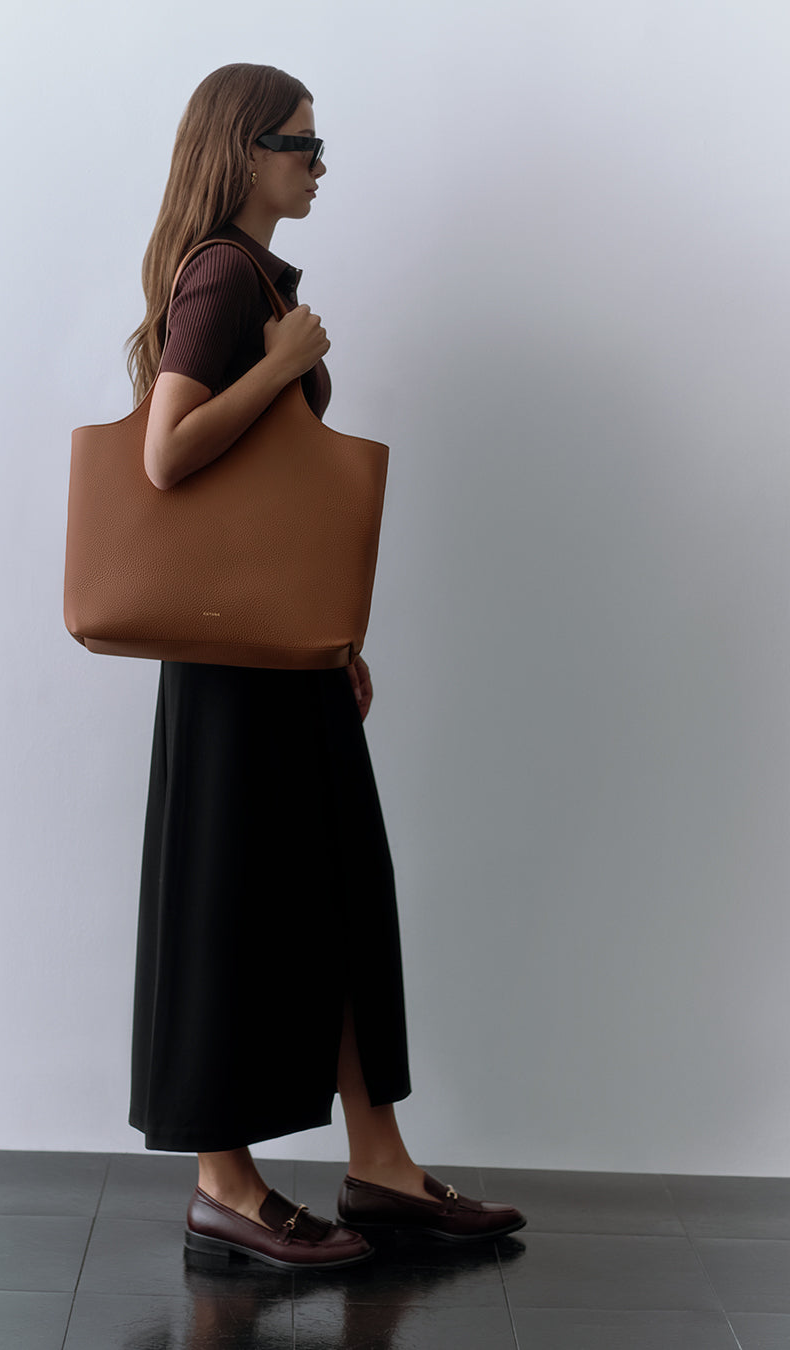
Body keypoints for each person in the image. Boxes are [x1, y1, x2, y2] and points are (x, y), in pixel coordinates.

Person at [125, 63, 525, 1270]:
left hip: (277, 648)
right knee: (230, 901)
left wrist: (334, 638)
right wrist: (278, 360)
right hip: (229, 662)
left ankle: (380, 1164)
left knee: (344, 890)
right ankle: (224, 1183)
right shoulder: (221, 275)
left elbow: (277, 491)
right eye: (300, 142)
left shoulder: (251, 276)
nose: (319, 161)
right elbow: (167, 454)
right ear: (244, 152)